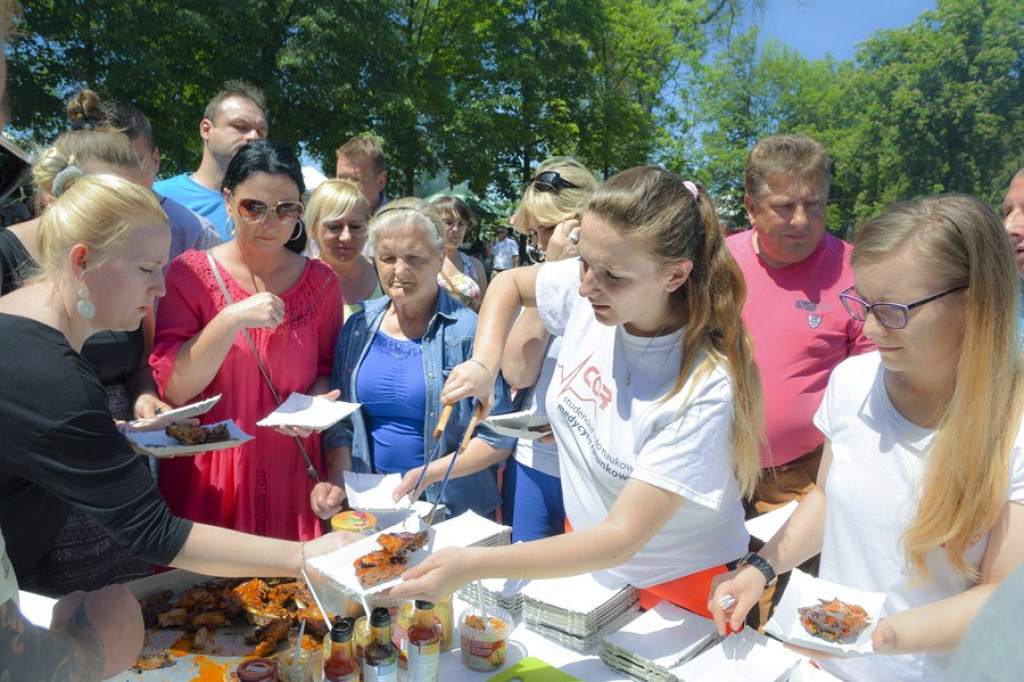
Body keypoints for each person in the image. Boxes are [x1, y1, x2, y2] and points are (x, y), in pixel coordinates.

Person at [390, 168, 764, 621]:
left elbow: (623, 536)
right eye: (584, 261)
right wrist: (484, 364)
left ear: (676, 275)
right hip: (589, 562)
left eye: (612, 276)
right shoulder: (596, 285)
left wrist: (473, 563)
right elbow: (509, 285)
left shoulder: (703, 386)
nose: (585, 286)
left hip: (682, 592)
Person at [0, 173, 350, 656]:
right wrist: (306, 555)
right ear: (82, 261)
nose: (162, 289)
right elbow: (153, 531)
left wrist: (115, 432)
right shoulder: (54, 378)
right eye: (146, 269)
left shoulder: (20, 333)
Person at [710, 194, 1024, 682]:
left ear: (974, 301)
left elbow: (1002, 598)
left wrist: (876, 635)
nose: (870, 327)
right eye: (863, 302)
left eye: (893, 309)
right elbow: (828, 497)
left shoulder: (1014, 426)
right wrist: (762, 567)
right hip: (824, 662)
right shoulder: (852, 381)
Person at [151, 140, 342, 542]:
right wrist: (232, 317)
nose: (269, 224)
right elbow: (175, 386)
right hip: (210, 475)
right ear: (227, 200)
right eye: (253, 207)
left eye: (286, 209)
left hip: (292, 468)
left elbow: (326, 370)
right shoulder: (189, 275)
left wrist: (313, 410)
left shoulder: (322, 283)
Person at [727, 134, 872, 624]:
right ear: (750, 206)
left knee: (783, 610)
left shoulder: (857, 273)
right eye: (784, 206)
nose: (801, 221)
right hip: (715, 467)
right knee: (713, 594)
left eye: (814, 204)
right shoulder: (719, 264)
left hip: (800, 480)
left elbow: (874, 383)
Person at [313, 198, 515, 522]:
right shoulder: (357, 329)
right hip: (373, 508)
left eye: (414, 258)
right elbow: (342, 424)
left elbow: (498, 438)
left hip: (451, 514)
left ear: (440, 258)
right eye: (388, 258)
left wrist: (430, 474)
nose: (400, 271)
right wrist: (338, 479)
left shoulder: (469, 333)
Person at [499, 157, 597, 542]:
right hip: (536, 461)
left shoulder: (621, 287)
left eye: (550, 230)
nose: (542, 245)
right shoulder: (540, 280)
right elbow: (518, 371)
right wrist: (552, 279)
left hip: (592, 471)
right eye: (537, 233)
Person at [67, 88, 222, 266]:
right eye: (106, 166)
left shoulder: (196, 235)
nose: (119, 180)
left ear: (155, 161)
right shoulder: (65, 221)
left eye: (132, 162)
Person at [153, 80, 268, 239]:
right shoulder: (158, 197)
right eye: (241, 126)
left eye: (261, 132)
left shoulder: (271, 207)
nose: (254, 137)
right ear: (206, 129)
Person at [306, 178, 382, 322]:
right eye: (334, 227)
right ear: (313, 229)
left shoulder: (385, 275)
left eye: (355, 226)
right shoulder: (300, 285)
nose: (346, 237)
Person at [430, 195, 487, 311]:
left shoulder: (475, 265)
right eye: (448, 222)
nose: (455, 229)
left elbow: (483, 311)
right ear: (434, 224)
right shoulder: (422, 261)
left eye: (461, 223)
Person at [335, 134, 388, 213]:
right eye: (341, 180)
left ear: (381, 181)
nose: (346, 189)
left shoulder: (400, 224)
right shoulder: (324, 220)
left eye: (356, 181)